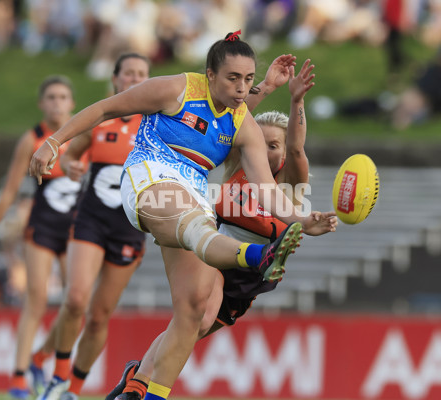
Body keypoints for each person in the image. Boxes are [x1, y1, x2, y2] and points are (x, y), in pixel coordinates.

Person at [29, 31, 337, 400]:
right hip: (149, 174)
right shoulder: (177, 89)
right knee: (194, 224)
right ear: (210, 75)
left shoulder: (243, 125)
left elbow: (268, 190)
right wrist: (53, 141)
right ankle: (257, 256)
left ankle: (143, 393)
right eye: (233, 78)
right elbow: (105, 109)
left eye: (249, 79)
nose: (242, 88)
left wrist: (302, 222)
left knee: (193, 311)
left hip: (192, 195)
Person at [107, 58, 317, 400]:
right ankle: (138, 388)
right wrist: (265, 85)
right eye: (260, 143)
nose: (264, 150)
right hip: (217, 249)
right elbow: (232, 114)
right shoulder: (240, 163)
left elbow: (295, 147)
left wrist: (296, 101)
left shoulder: (289, 183)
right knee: (196, 319)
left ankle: (136, 375)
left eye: (272, 146)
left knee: (194, 328)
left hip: (253, 274)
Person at [35, 53, 150, 400]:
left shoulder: (157, 124)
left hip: (129, 228)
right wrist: (70, 165)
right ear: (115, 79)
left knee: (99, 316)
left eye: (142, 74)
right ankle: (58, 378)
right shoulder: (101, 119)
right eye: (128, 73)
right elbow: (73, 154)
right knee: (75, 299)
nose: (134, 79)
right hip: (91, 219)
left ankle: (75, 390)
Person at [0, 75, 85, 400]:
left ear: (72, 103)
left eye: (63, 97)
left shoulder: (83, 134)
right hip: (42, 227)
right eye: (51, 97)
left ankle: (43, 358)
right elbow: (8, 193)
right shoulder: (32, 140)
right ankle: (18, 379)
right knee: (35, 299)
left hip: (77, 230)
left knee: (75, 304)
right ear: (41, 103)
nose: (58, 103)